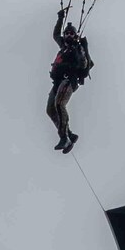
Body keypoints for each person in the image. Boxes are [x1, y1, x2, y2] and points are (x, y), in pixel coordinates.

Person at [46, 8, 94, 152]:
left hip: (69, 81)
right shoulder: (63, 46)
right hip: (58, 83)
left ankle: (64, 138)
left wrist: (78, 54)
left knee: (60, 104)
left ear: (75, 35)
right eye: (67, 33)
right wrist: (60, 18)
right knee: (50, 109)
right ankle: (70, 134)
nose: (68, 35)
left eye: (71, 33)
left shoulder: (77, 48)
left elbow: (84, 64)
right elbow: (55, 34)